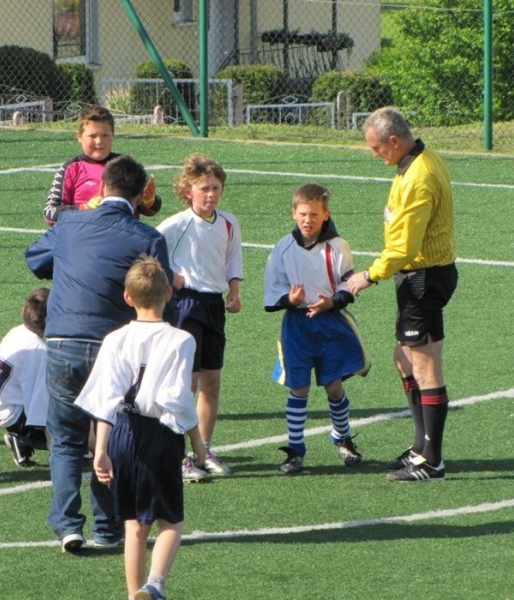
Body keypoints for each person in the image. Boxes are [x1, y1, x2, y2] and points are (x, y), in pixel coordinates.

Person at [25, 154, 173, 552]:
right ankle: (109, 528)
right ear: (143, 194)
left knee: (67, 438)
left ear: (102, 186)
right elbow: (161, 299)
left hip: (63, 341)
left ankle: (68, 526)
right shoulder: (147, 237)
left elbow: (35, 259)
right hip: (115, 347)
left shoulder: (70, 222)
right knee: (111, 436)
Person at [75, 255, 205, 600]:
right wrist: (198, 442)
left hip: (120, 432)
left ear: (128, 297)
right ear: (168, 293)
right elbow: (177, 399)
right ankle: (155, 584)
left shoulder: (115, 339)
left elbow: (105, 397)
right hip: (160, 435)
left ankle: (134, 595)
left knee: (133, 524)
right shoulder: (181, 340)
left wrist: (100, 450)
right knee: (170, 520)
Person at [347, 107, 458, 483]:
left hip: (423, 277)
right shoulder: (418, 160)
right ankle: (420, 447)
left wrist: (369, 275)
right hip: (418, 276)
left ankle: (433, 461)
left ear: (395, 141)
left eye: (377, 148)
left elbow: (405, 249)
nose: (374, 154)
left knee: (426, 367)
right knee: (403, 359)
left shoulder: (418, 177)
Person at [264, 183, 369, 474]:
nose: (307, 220)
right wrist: (290, 300)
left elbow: (350, 283)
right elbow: (272, 291)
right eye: (302, 214)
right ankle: (296, 450)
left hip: (330, 322)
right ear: (293, 213)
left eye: (314, 214)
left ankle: (343, 437)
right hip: (297, 326)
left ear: (326, 215)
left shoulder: (337, 246)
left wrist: (332, 302)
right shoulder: (283, 248)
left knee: (334, 386)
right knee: (298, 388)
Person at [157, 153, 243, 482]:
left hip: (213, 306)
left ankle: (204, 450)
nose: (211, 194)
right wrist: (170, 277)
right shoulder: (176, 224)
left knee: (211, 382)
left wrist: (234, 291)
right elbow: (148, 249)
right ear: (188, 191)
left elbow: (233, 258)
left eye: (216, 188)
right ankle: (176, 455)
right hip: (184, 307)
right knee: (186, 384)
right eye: (204, 188)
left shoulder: (229, 222)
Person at [43, 105, 161, 226]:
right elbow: (50, 214)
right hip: (83, 237)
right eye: (92, 136)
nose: (99, 141)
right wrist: (84, 208)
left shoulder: (125, 165)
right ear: (79, 136)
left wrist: (148, 200)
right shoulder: (71, 168)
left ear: (113, 135)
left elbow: (153, 208)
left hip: (122, 235)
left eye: (105, 135)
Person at [0, 287, 51, 468]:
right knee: (74, 425)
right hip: (14, 413)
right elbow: (38, 404)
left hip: (0, 404)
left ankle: (19, 441)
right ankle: (24, 438)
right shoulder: (37, 350)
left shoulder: (17, 331)